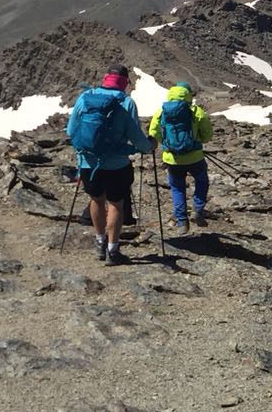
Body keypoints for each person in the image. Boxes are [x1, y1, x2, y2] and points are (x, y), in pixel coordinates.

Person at [65, 66, 153, 265]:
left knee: (96, 200)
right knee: (115, 204)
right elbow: (136, 136)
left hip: (88, 163)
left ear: (105, 78)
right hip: (117, 165)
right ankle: (113, 250)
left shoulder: (85, 97)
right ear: (125, 82)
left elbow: (71, 130)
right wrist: (149, 146)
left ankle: (100, 242)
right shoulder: (126, 102)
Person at [147, 81, 213, 235]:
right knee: (202, 180)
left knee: (177, 188)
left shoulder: (162, 111)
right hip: (195, 157)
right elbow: (207, 135)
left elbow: (153, 132)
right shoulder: (195, 111)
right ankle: (198, 209)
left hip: (172, 159)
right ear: (188, 94)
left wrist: (167, 144)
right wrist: (196, 141)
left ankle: (182, 221)